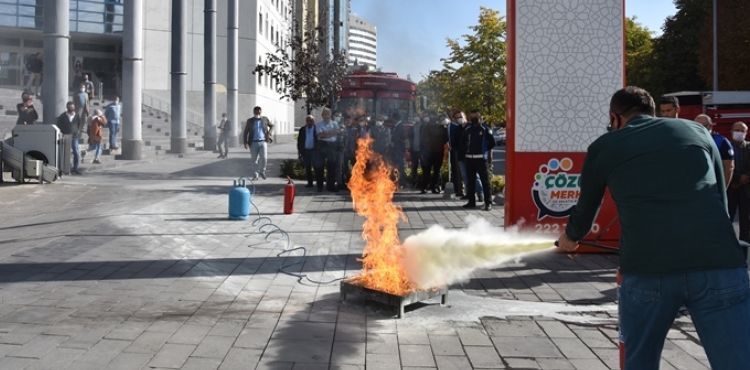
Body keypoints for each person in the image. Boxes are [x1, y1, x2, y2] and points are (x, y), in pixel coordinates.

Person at [557, 86, 750, 369]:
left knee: (641, 361)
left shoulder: (605, 145)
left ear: (616, 118)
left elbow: (586, 209)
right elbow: (719, 199)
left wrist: (570, 238)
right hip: (720, 265)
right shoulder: (697, 132)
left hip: (648, 271)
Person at [461, 110, 494, 210]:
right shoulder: (468, 129)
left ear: (480, 117)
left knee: (485, 181)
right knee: (470, 181)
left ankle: (488, 202)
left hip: (481, 159)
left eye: (476, 116)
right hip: (469, 159)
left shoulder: (485, 129)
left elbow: (492, 143)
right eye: (472, 116)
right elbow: (463, 142)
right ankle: (471, 202)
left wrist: (484, 150)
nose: (474, 118)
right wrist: (465, 151)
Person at [695, 114, 733, 188]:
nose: (700, 129)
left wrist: (723, 189)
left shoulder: (721, 141)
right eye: (697, 126)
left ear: (710, 126)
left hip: (714, 185)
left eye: (703, 126)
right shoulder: (691, 140)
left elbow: (729, 167)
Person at [728, 121, 750, 249]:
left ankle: (745, 248)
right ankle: (728, 247)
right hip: (731, 188)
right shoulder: (727, 147)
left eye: (742, 131)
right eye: (736, 130)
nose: (739, 133)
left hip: (746, 190)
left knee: (746, 220)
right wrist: (737, 179)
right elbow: (725, 167)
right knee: (728, 217)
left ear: (746, 133)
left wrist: (746, 178)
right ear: (731, 131)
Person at [242, 106, 273, 180]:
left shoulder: (265, 119)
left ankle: (262, 171)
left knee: (264, 158)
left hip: (263, 142)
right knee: (254, 160)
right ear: (254, 112)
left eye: (259, 111)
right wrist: (245, 142)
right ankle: (256, 175)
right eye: (256, 111)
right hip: (253, 143)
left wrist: (269, 132)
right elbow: (246, 132)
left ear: (261, 112)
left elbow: (272, 126)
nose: (258, 112)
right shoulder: (250, 121)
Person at [420, 114, 448, 194]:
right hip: (435, 152)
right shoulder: (441, 128)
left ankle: (426, 187)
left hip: (432, 152)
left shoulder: (427, 127)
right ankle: (433, 187)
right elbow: (446, 139)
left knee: (428, 171)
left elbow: (445, 139)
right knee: (435, 171)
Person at [315, 108, 339, 192]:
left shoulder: (335, 124)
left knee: (331, 167)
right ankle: (320, 186)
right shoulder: (318, 124)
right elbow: (320, 135)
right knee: (319, 167)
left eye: (328, 114)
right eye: (324, 114)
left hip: (332, 146)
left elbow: (337, 132)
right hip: (322, 145)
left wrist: (326, 134)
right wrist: (332, 133)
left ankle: (330, 186)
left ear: (330, 114)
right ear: (322, 115)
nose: (326, 116)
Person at [55, 101, 83, 175]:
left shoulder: (77, 116)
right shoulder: (62, 116)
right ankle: (66, 168)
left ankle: (75, 168)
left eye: (72, 107)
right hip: (66, 136)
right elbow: (59, 125)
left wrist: (78, 132)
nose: (71, 108)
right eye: (70, 107)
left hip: (74, 137)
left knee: (76, 152)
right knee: (65, 153)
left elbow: (80, 124)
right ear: (67, 108)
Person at [297, 115, 319, 188]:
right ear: (306, 121)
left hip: (314, 151)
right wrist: (300, 152)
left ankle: (318, 183)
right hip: (305, 151)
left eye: (311, 120)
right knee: (308, 167)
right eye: (308, 120)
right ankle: (310, 183)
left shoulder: (317, 129)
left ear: (314, 121)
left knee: (316, 167)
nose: (310, 122)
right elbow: (299, 141)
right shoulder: (302, 129)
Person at [448, 110, 466, 197]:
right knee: (457, 171)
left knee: (462, 172)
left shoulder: (465, 126)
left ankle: (462, 190)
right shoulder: (454, 127)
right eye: (458, 117)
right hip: (456, 151)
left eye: (461, 117)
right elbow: (452, 140)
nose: (460, 119)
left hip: (465, 151)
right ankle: (459, 190)